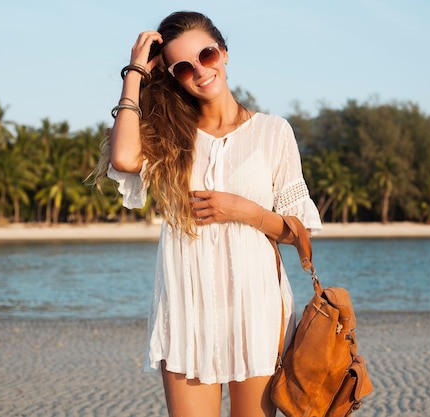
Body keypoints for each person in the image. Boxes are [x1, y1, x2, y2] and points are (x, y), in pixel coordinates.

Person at [93, 11, 322, 417]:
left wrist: (246, 211)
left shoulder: (273, 132)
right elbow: (125, 158)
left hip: (257, 312)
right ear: (172, 75)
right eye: (183, 67)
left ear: (225, 54)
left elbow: (299, 233)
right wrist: (133, 73)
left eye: (207, 55)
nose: (199, 71)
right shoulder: (168, 135)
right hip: (186, 311)